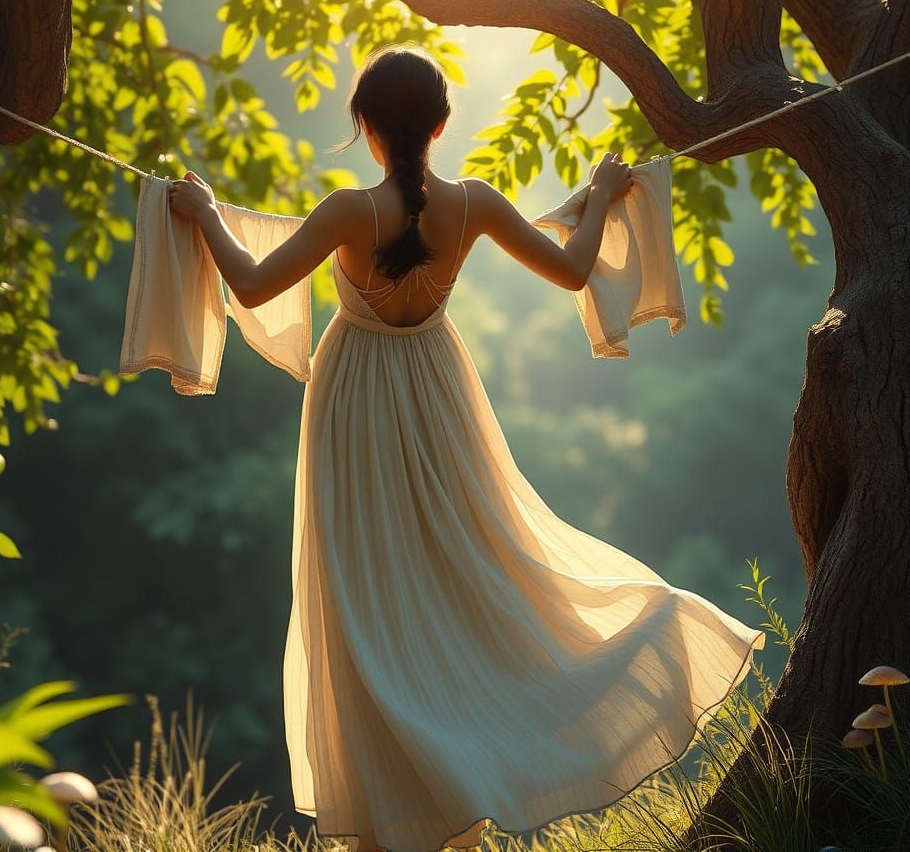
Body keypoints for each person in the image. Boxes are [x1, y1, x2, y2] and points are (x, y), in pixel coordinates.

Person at [168, 43, 764, 852]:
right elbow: (573, 265)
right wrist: (599, 197)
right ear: (443, 124)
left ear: (366, 128)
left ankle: (395, 810)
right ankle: (462, 784)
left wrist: (204, 214)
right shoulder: (474, 204)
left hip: (355, 405)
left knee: (366, 599)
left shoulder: (348, 210)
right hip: (439, 390)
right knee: (466, 569)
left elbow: (249, 285)